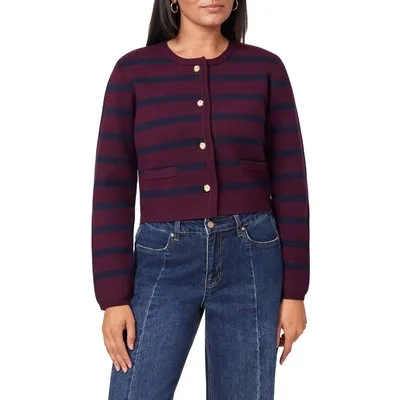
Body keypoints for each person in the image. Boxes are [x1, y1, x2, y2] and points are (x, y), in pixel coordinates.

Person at [91, 0, 309, 398]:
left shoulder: (265, 70)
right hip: (163, 259)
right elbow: (112, 188)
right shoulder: (132, 73)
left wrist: (295, 292)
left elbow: (291, 183)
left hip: (251, 256)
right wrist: (113, 298)